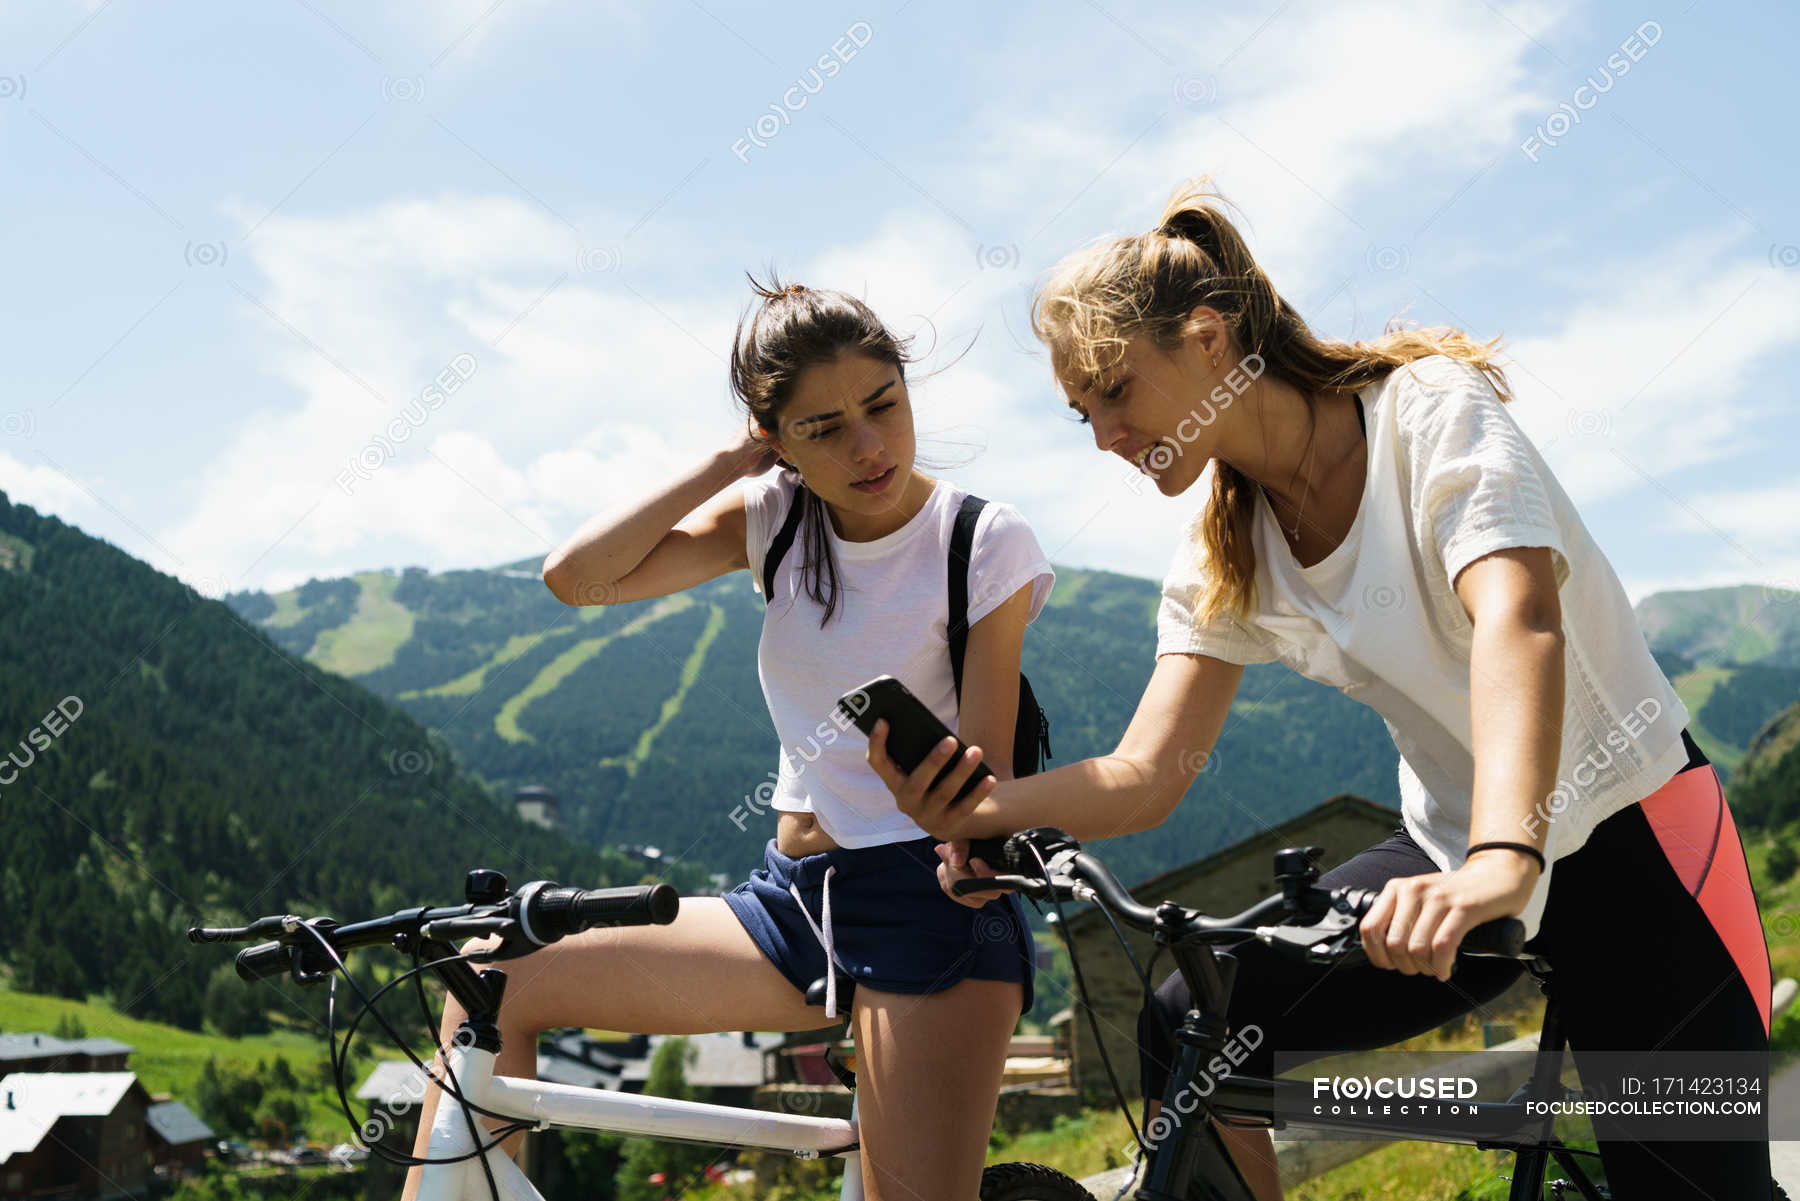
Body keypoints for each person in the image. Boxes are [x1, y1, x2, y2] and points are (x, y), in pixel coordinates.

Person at [867, 181, 1773, 1200]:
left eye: (1115, 390)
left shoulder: (1425, 409)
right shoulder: (1225, 548)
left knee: (1703, 1188)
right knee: (1193, 1022)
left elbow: (1519, 622)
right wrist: (988, 811)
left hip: (1635, 831)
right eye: (1084, 411)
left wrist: (1504, 861)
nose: (1104, 434)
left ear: (1209, 339)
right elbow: (1149, 770)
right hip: (1448, 862)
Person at [401, 277, 1052, 1201]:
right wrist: (729, 462)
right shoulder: (775, 518)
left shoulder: (982, 541)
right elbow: (576, 577)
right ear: (774, 436)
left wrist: (958, 828)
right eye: (823, 428)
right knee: (496, 970)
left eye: (883, 405)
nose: (869, 447)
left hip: (935, 907)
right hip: (793, 905)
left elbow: (987, 795)